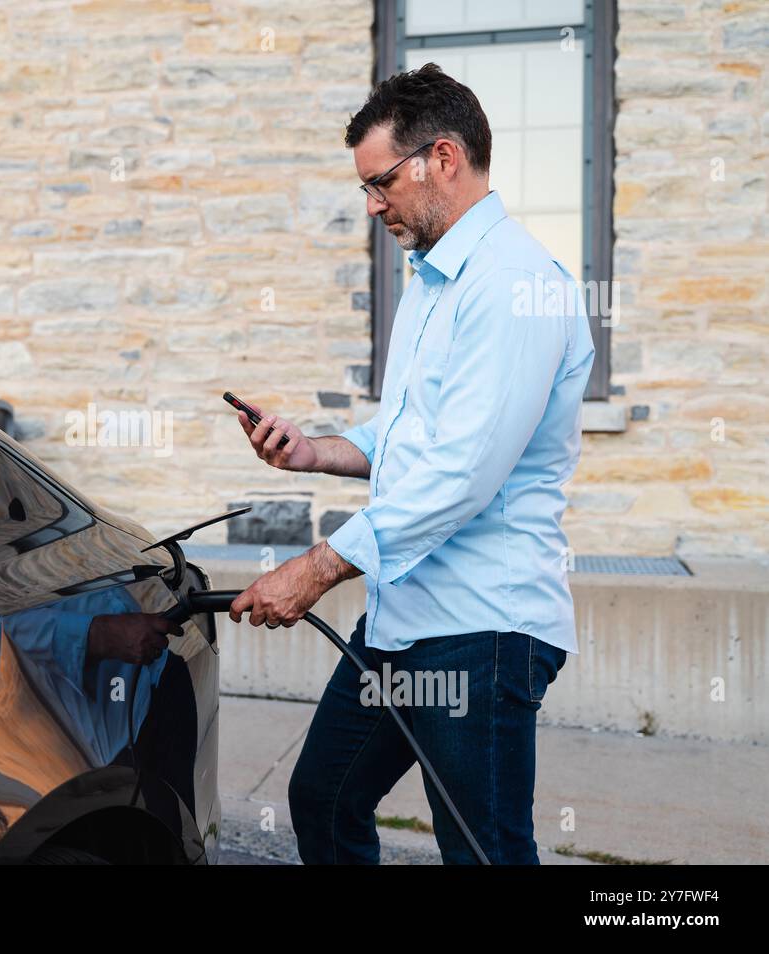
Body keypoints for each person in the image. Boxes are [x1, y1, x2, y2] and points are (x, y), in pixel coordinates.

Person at [229, 63, 595, 864]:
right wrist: (317, 451)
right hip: (404, 619)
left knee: (483, 849)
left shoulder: (514, 285)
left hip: (481, 629)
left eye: (381, 182)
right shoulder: (435, 282)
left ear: (444, 158)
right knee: (323, 799)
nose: (372, 206)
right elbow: (410, 432)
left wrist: (317, 568)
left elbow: (460, 472)